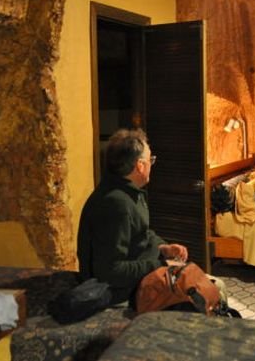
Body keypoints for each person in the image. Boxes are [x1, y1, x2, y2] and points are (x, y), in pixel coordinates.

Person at [77, 128, 188, 307]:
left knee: (207, 287)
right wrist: (160, 265)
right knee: (205, 293)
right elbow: (109, 272)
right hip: (120, 292)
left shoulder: (130, 193)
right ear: (140, 165)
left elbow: (141, 232)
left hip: (137, 278)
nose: (152, 164)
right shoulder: (115, 204)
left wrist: (163, 247)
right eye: (151, 159)